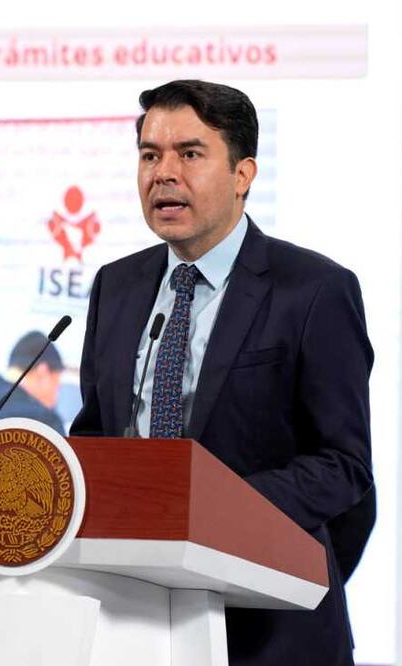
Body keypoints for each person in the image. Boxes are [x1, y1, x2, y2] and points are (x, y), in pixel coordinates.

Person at [70, 80, 374, 665]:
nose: (164, 174)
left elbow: (344, 467)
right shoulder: (117, 285)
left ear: (243, 175)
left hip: (270, 629)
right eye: (150, 155)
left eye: (189, 153)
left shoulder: (313, 290)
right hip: (131, 622)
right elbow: (97, 436)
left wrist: (211, 509)